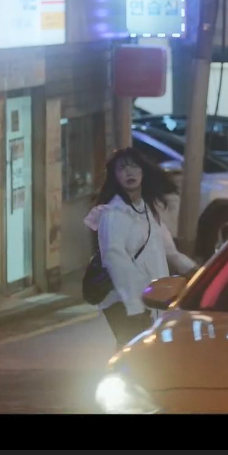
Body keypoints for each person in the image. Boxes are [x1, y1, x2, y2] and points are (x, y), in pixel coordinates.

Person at [85, 148, 198, 348]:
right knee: (133, 352)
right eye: (122, 168)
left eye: (134, 166)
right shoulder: (114, 214)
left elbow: (170, 252)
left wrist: (198, 274)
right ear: (115, 176)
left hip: (149, 300)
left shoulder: (146, 211)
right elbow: (115, 258)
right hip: (124, 301)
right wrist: (135, 304)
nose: (129, 172)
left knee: (145, 353)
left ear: (143, 172)